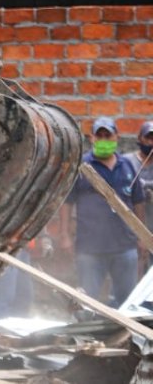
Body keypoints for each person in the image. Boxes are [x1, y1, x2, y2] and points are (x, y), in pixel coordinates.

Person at [61, 116, 146, 306]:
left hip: (124, 247)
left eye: (108, 135)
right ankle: (87, 336)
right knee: (88, 302)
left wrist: (140, 236)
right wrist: (65, 235)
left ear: (117, 137)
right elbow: (67, 202)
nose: (103, 140)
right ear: (91, 138)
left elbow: (138, 201)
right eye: (99, 136)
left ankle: (126, 336)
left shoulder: (127, 166)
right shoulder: (82, 167)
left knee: (128, 303)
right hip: (90, 249)